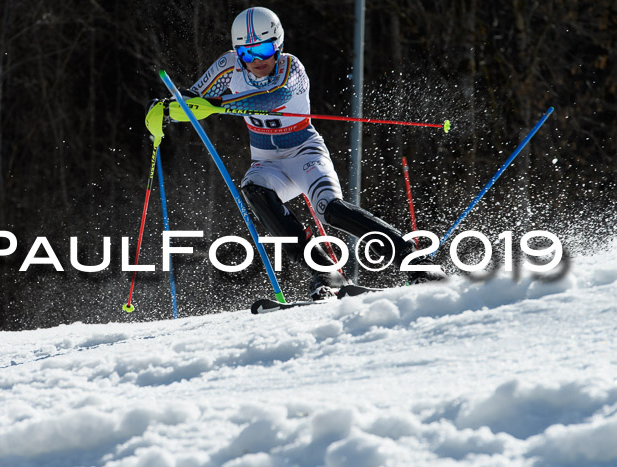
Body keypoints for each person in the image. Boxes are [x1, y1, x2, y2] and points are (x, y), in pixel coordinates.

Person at [151, 6, 444, 300]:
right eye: (247, 53)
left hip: (305, 153)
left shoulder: (292, 67)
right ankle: (326, 271)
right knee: (252, 188)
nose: (257, 60)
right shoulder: (228, 65)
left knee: (330, 209)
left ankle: (418, 264)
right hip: (268, 163)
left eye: (265, 49)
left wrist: (216, 104)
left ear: (277, 44)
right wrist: (163, 112)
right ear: (237, 52)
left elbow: (273, 98)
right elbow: (189, 101)